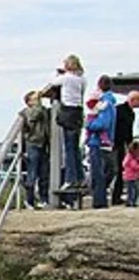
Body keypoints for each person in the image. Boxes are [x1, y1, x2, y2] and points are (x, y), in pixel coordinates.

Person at [46, 56, 88, 207]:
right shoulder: (82, 79)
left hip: (68, 111)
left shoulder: (66, 78)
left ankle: (70, 179)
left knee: (69, 148)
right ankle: (80, 177)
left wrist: (58, 72)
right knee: (75, 147)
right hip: (78, 112)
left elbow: (52, 82)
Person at [88, 77, 119, 208]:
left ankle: (99, 200)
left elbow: (102, 124)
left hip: (98, 142)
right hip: (107, 142)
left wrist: (90, 124)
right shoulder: (111, 104)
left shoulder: (103, 104)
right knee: (107, 170)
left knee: (98, 172)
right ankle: (100, 198)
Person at [18, 89, 52, 209]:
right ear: (29, 102)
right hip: (32, 144)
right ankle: (29, 200)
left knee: (44, 174)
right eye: (35, 99)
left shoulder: (43, 111)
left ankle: (43, 199)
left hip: (43, 144)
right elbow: (33, 117)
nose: (38, 101)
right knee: (32, 174)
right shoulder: (26, 112)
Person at [119, 90, 138, 204]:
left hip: (123, 141)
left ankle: (130, 200)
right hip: (120, 142)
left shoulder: (129, 112)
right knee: (132, 188)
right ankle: (130, 201)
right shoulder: (122, 111)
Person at [124, 140, 139, 207]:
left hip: (135, 176)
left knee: (136, 190)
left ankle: (133, 201)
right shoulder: (130, 157)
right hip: (130, 177)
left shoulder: (135, 157)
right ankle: (130, 202)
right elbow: (134, 166)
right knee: (131, 190)